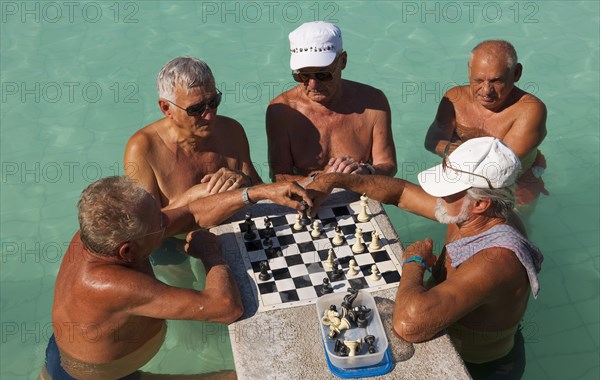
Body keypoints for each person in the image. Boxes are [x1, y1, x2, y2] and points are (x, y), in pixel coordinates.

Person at [37, 176, 312, 380]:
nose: (165, 221)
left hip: (61, 352)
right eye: (158, 223)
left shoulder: (98, 235)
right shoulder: (111, 284)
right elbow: (225, 307)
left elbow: (191, 212)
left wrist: (259, 192)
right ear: (127, 251)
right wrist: (211, 254)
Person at [307, 137, 543, 380]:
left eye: (448, 189)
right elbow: (402, 193)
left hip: (484, 369)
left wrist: (414, 261)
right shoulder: (473, 214)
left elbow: (409, 324)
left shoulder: (497, 260)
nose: (437, 195)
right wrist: (337, 180)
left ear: (480, 203)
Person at [266, 21, 397, 183]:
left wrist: (367, 171)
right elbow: (279, 177)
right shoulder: (282, 110)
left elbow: (388, 164)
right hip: (306, 194)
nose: (313, 84)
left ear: (343, 61)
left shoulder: (374, 103)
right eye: (303, 76)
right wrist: (321, 179)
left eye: (322, 75)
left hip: (359, 190)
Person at [424, 40, 548, 209]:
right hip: (463, 179)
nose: (486, 90)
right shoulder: (455, 98)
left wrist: (455, 152)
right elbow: (432, 141)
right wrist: (448, 149)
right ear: (469, 70)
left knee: (511, 231)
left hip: (514, 186)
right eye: (478, 80)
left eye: (496, 81)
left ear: (517, 73)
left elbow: (501, 166)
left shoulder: (530, 110)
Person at [125, 56, 262, 208]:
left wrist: (245, 180)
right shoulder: (143, 149)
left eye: (213, 102)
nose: (209, 116)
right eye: (196, 109)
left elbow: (262, 193)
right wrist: (193, 196)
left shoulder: (231, 131)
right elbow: (146, 226)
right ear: (166, 108)